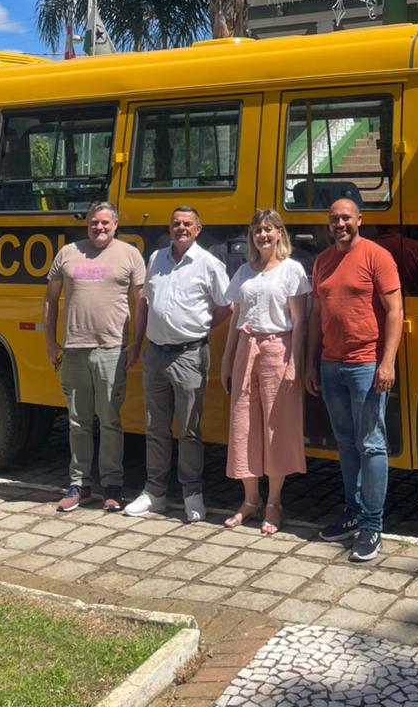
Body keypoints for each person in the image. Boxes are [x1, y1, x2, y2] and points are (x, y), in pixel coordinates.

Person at [305, 197, 403, 562]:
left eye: (346, 217)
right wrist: (310, 363)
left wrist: (387, 362)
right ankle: (353, 513)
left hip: (366, 364)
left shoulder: (377, 256)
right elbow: (316, 315)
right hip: (331, 364)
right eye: (334, 219)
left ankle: (372, 526)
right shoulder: (322, 261)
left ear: (359, 219)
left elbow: (395, 311)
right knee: (346, 444)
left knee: (372, 444)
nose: (340, 224)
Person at [124, 206, 231, 522]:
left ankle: (191, 494)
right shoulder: (156, 258)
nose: (181, 228)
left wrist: (199, 328)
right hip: (155, 353)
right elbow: (143, 303)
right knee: (155, 427)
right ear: (169, 228)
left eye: (187, 224)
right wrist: (136, 341)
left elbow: (226, 306)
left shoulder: (209, 264)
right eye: (176, 223)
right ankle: (154, 493)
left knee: (189, 430)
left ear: (198, 229)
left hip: (189, 355)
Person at [43, 201, 145, 513]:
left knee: (111, 421)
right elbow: (50, 299)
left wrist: (137, 344)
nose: (99, 228)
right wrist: (50, 342)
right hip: (74, 349)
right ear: (88, 224)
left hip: (112, 349)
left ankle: (112, 487)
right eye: (93, 223)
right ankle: (79, 485)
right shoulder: (68, 253)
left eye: (104, 223)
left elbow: (141, 303)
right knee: (77, 422)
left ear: (115, 225)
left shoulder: (130, 254)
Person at [220, 209, 310, 534]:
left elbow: (300, 322)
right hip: (246, 348)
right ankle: (249, 500)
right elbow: (234, 318)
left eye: (269, 230)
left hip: (277, 350)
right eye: (258, 230)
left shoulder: (292, 270)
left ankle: (273, 502)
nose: (263, 235)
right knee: (243, 425)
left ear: (280, 234)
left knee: (275, 428)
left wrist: (294, 363)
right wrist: (227, 360)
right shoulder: (244, 270)